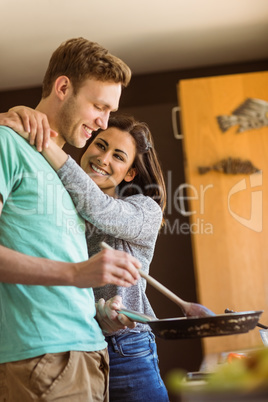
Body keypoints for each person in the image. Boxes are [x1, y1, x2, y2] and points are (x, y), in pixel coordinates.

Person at [0, 38, 142, 402]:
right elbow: (68, 272)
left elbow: (51, 266)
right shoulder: (6, 142)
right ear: (63, 88)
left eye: (110, 111)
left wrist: (100, 314)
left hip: (91, 356)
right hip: (42, 357)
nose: (103, 122)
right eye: (98, 106)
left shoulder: (62, 174)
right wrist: (77, 274)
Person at [2, 109, 170, 401]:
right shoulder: (59, 203)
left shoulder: (144, 211)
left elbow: (98, 207)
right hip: (81, 347)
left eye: (118, 156)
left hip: (129, 352)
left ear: (130, 173)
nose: (103, 159)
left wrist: (44, 140)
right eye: (100, 146)